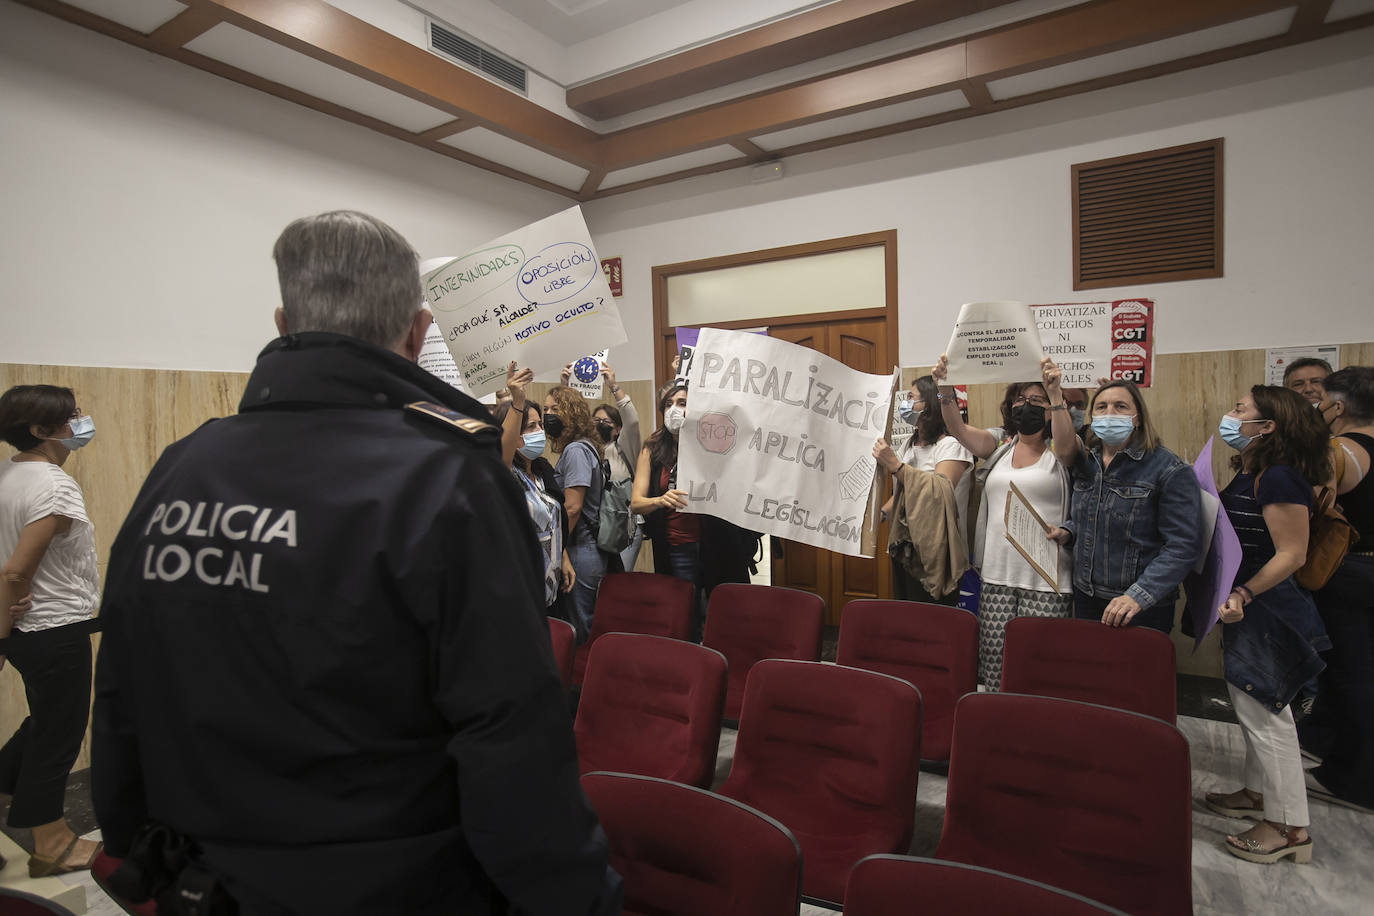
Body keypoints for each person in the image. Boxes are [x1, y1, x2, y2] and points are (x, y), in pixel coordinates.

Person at [90, 211, 620, 914]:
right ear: (418, 331)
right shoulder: (447, 480)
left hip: (201, 879)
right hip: (392, 886)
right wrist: (577, 899)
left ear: (284, 323)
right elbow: (508, 736)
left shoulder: (184, 466)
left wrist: (132, 840)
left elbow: (122, 684)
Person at [1204, 385, 1330, 865]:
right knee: (1252, 705)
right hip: (1249, 606)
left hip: (1268, 610)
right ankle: (1258, 795)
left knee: (1268, 718)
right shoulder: (1257, 472)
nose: (1231, 416)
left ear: (1268, 426)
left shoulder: (1280, 478)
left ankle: (1289, 826)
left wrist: (1244, 592)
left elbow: (1292, 554)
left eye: (1241, 410)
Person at [0, 385, 102, 877]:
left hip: (26, 629)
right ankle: (52, 843)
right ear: (41, 430)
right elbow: (16, 572)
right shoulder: (54, 485)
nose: (81, 421)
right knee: (57, 733)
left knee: (42, 720)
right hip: (53, 628)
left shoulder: (9, 475)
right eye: (71, 416)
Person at [933, 355, 1073, 690]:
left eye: (1035, 400)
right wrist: (945, 389)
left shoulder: (1060, 448)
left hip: (1047, 581)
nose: (1026, 406)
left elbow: (1069, 449)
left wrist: (1055, 397)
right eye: (1020, 400)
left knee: (1040, 670)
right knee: (994, 667)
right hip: (996, 576)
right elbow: (957, 428)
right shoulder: (999, 446)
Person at [1044, 363, 1203, 633]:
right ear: (1091, 416)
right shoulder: (1087, 461)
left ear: (1138, 417)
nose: (1110, 413)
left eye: (1120, 406)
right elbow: (1089, 515)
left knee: (1135, 675)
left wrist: (1137, 596)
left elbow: (1182, 547)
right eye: (1102, 407)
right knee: (1092, 674)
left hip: (1138, 605)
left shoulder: (1168, 469)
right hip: (1087, 596)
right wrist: (1068, 531)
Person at [1302, 366, 1374, 812]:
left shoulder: (1337, 452)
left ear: (1338, 407)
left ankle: (1355, 777)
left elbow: (1307, 509)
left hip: (1346, 571)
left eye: (1322, 400)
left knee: (1349, 673)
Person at [873, 374, 973, 604]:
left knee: (933, 624)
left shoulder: (952, 445)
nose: (905, 403)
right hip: (906, 550)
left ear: (930, 404)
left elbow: (939, 492)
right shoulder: (911, 443)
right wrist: (881, 514)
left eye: (911, 397)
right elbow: (904, 493)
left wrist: (896, 466)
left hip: (935, 554)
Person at [494, 364, 576, 628]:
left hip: (551, 584)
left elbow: (555, 520)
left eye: (540, 424)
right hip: (519, 586)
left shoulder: (542, 471)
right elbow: (502, 454)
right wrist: (517, 400)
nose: (540, 430)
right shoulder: (504, 473)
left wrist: (564, 558)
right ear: (514, 436)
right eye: (531, 426)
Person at [543, 385, 610, 639]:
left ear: (571, 413)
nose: (549, 414)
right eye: (546, 409)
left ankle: (580, 677)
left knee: (578, 628)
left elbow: (572, 507)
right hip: (583, 548)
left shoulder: (576, 450)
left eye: (555, 409)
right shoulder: (582, 446)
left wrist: (557, 549)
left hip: (580, 550)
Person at [591, 366, 644, 572]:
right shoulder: (585, 451)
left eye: (606, 421)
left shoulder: (624, 447)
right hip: (596, 526)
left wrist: (613, 386)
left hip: (624, 524)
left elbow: (632, 420)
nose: (600, 424)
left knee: (619, 579)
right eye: (596, 421)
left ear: (618, 428)